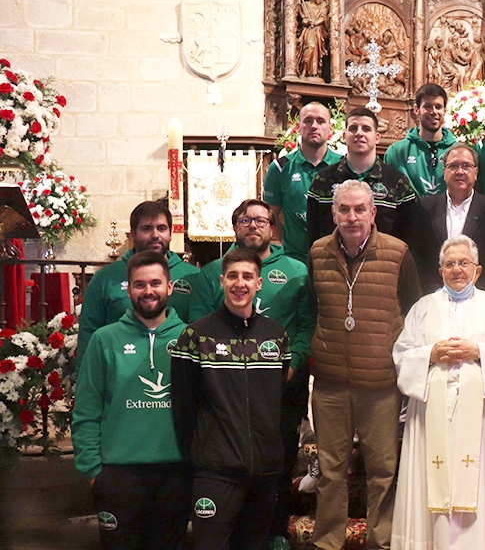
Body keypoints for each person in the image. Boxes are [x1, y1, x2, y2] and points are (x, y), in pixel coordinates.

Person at [188, 199, 312, 550]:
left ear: (273, 228)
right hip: (222, 391)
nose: (253, 226)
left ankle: (274, 529)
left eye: (262, 220)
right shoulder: (212, 273)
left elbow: (305, 325)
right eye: (245, 220)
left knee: (280, 454)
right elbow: (196, 323)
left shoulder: (296, 270)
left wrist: (292, 364)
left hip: (280, 384)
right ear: (235, 227)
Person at [308, 179, 424, 550]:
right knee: (330, 473)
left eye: (360, 209)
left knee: (382, 473)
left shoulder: (397, 252)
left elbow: (415, 312)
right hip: (330, 384)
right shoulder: (317, 252)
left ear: (374, 213)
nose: (352, 217)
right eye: (345, 209)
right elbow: (312, 310)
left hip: (380, 385)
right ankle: (328, 542)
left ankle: (382, 542)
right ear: (333, 213)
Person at [391, 235, 485, 550]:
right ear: (440, 269)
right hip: (432, 413)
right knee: (431, 485)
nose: (457, 269)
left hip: (481, 416)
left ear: (478, 270)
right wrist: (430, 354)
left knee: (481, 485)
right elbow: (402, 355)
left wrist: (480, 351)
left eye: (464, 263)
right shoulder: (422, 308)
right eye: (450, 264)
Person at [170, 248, 291, 549]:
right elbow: (184, 404)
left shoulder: (277, 337)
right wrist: (199, 454)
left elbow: (277, 397)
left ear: (259, 284)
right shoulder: (196, 336)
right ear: (222, 281)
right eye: (233, 276)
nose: (241, 283)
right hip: (216, 471)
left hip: (264, 470)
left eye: (248, 277)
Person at [72, 251, 190, 550]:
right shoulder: (104, 340)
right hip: (118, 475)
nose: (148, 291)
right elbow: (86, 408)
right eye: (139, 284)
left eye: (155, 283)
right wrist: (92, 472)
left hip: (175, 473)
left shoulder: (191, 339)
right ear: (128, 289)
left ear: (169, 287)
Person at [306, 105, 440, 291]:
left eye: (366, 129)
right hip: (333, 273)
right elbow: (313, 233)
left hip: (384, 274)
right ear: (344, 136)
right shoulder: (323, 180)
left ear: (377, 137)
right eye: (353, 128)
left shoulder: (397, 182)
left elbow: (409, 236)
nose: (359, 133)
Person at [77, 201, 199, 369]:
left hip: (177, 371)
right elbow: (88, 335)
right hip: (119, 372)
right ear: (132, 234)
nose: (155, 235)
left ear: (171, 234)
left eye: (162, 228)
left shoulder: (192, 276)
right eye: (147, 228)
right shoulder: (105, 278)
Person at [422, 144, 485, 303]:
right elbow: (420, 259)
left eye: (466, 166)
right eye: (453, 166)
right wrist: (436, 297)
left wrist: (476, 299)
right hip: (434, 302)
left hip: (481, 304)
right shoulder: (423, 210)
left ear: (476, 172)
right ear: (444, 172)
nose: (460, 171)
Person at [264, 102, 343, 264]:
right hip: (294, 259)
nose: (314, 126)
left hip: (335, 258)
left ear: (330, 129)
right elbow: (270, 216)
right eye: (308, 121)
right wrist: (290, 243)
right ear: (298, 127)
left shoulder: (343, 167)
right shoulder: (280, 168)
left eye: (321, 121)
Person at [385, 83, 458, 196]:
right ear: (416, 109)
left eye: (438, 107)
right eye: (427, 106)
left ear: (445, 110)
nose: (433, 112)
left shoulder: (457, 151)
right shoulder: (396, 152)